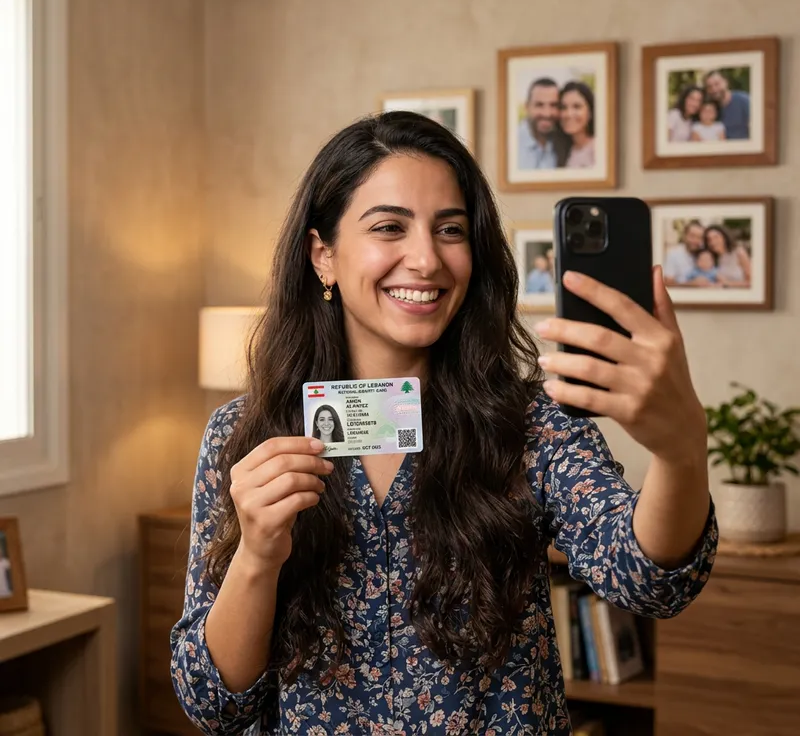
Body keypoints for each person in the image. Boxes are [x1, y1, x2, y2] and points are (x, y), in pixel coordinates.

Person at [170, 111, 717, 735]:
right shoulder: (243, 437)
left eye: (450, 230)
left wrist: (681, 449)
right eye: (388, 227)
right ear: (323, 254)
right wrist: (258, 557)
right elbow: (215, 704)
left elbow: (650, 583)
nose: (426, 259)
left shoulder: (532, 424)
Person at [517, 77, 568, 169]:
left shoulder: (565, 142)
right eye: (539, 105)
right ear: (527, 107)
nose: (547, 113)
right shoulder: (512, 144)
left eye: (553, 105)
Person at [704, 70, 750, 139]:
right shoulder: (710, 109)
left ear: (726, 82)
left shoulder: (744, 100)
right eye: (709, 87)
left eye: (717, 84)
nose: (714, 89)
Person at [559, 81, 595, 168]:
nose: (568, 114)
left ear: (590, 112)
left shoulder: (598, 150)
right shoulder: (564, 151)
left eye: (577, 107)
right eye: (563, 107)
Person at [663, 220, 705, 286]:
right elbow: (668, 283)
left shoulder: (704, 253)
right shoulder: (674, 254)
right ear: (685, 236)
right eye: (692, 236)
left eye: (699, 237)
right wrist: (692, 284)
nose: (695, 240)